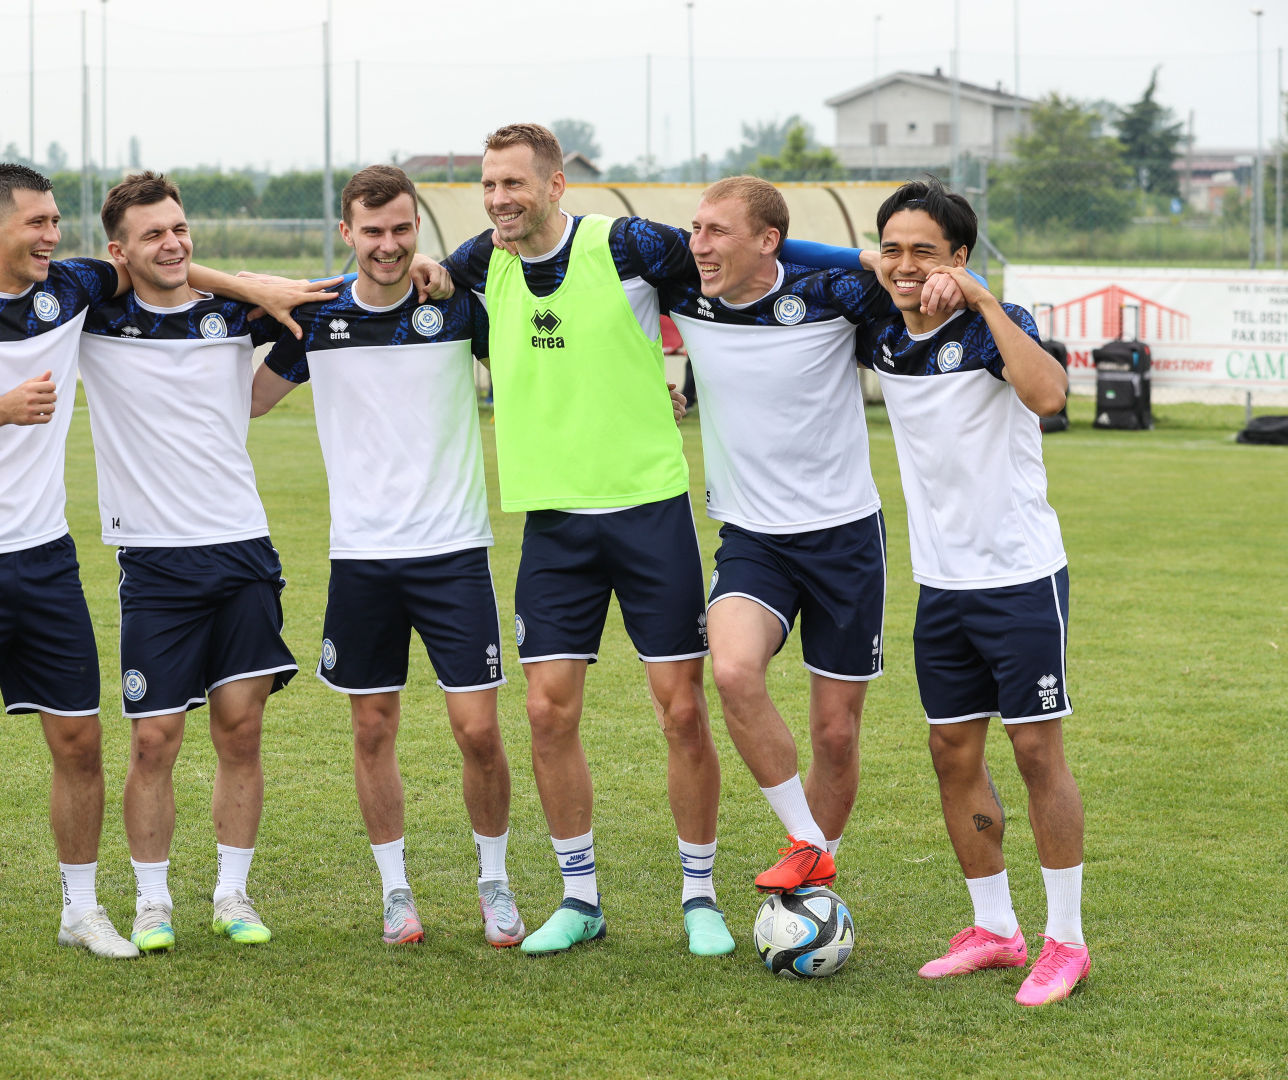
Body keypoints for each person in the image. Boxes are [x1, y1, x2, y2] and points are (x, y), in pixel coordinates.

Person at [0, 164, 331, 972]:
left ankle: (87, 910)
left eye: (56, 222)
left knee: (86, 742)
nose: (51, 236)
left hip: (55, 557)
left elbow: (171, 272)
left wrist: (249, 285)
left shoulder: (74, 290)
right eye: (37, 223)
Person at [442, 124, 729, 956]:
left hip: (648, 508)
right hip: (554, 522)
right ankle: (580, 899)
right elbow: (403, 279)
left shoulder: (628, 245)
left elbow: (729, 269)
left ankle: (700, 896)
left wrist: (869, 266)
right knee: (546, 710)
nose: (500, 199)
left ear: (555, 183)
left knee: (681, 709)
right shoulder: (479, 263)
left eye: (514, 183)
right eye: (489, 184)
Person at [250, 166, 524, 948]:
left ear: (417, 229)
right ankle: (396, 892)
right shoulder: (317, 318)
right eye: (372, 231)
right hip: (362, 559)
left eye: (402, 229)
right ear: (348, 234)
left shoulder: (456, 307)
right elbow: (249, 399)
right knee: (372, 728)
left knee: (478, 731)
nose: (388, 245)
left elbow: (531, 364)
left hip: (454, 551)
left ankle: (495, 882)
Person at [667, 177, 962, 894]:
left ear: (770, 241)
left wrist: (877, 262)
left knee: (835, 732)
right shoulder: (682, 286)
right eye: (696, 229)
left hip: (844, 538)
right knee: (733, 671)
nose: (698, 245)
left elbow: (909, 287)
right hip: (752, 537)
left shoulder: (835, 293)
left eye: (716, 231)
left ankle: (812, 894)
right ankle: (808, 843)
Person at [851, 179, 1088, 1007]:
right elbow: (815, 256)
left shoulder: (995, 325)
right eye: (893, 248)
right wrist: (873, 263)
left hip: (1020, 577)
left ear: (959, 256)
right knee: (952, 752)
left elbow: (1050, 396)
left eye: (926, 250)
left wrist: (982, 296)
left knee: (1035, 752)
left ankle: (1066, 943)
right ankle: (995, 930)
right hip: (941, 584)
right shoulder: (883, 329)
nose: (906, 265)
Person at [79, 172, 301, 953]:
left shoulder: (237, 314)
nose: (172, 244)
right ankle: (151, 902)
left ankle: (233, 894)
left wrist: (250, 292)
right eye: (152, 234)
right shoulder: (94, 316)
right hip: (153, 563)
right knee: (154, 738)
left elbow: (331, 310)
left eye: (179, 228)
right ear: (118, 252)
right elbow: (14, 278)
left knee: (241, 730)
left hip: (241, 549)